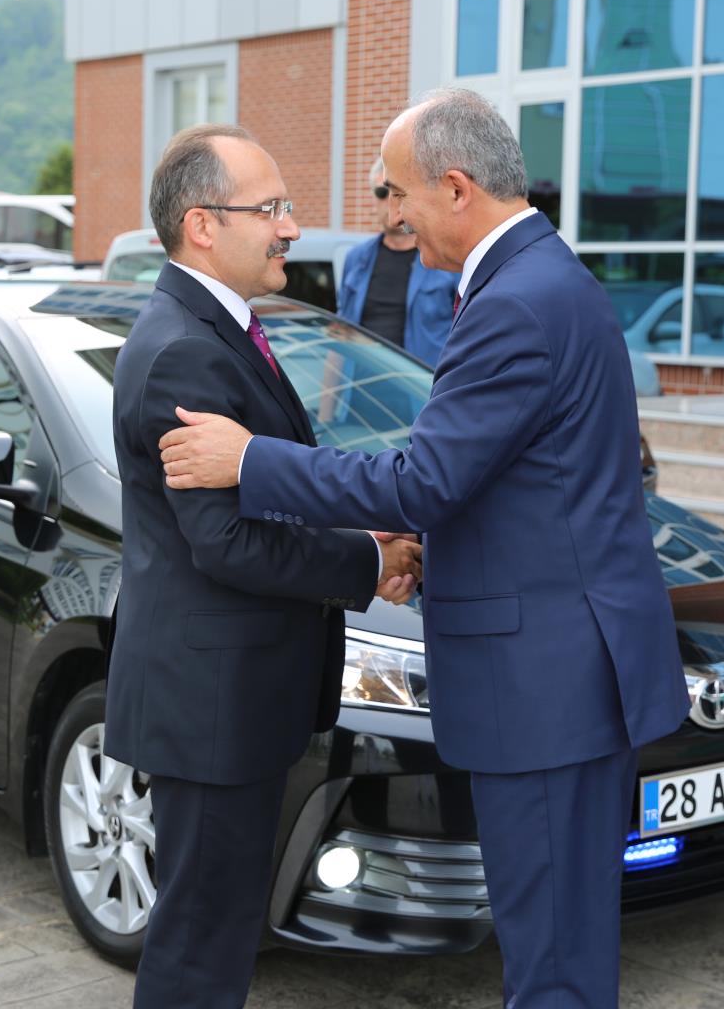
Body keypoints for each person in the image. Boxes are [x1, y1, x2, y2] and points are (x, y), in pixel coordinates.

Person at [156, 89, 691, 1008]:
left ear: (455, 186)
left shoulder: (518, 301)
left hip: (547, 686)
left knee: (554, 968)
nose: (393, 218)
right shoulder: (542, 278)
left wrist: (248, 460)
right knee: (558, 947)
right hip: (562, 673)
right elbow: (527, 489)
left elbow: (426, 481)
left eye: (399, 193)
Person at [106, 123, 421, 1009]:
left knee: (219, 933)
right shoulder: (186, 349)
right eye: (271, 208)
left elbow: (264, 494)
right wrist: (364, 561)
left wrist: (359, 530)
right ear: (203, 225)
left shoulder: (218, 328)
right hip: (212, 706)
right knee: (200, 948)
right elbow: (227, 541)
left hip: (233, 699)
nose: (292, 227)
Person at [334, 157, 459, 364]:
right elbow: (340, 333)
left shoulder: (447, 260)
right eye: (381, 192)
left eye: (397, 192)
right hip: (361, 382)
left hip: (422, 382)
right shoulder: (356, 259)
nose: (389, 201)